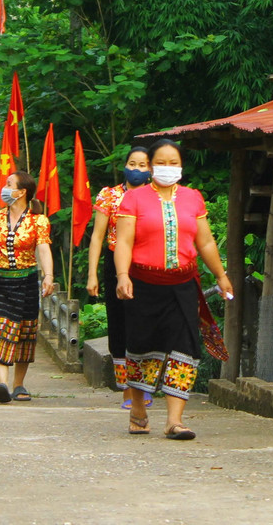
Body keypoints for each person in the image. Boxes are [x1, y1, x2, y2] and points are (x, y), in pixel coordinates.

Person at [114, 139, 233, 440]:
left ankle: (174, 421)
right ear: (151, 166)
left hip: (182, 285)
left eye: (174, 162)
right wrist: (122, 275)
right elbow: (124, 241)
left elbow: (204, 242)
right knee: (141, 346)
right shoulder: (134, 199)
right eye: (162, 163)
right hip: (143, 284)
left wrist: (220, 274)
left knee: (185, 345)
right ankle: (138, 409)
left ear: (181, 166)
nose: (168, 168)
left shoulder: (193, 198)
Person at [0, 171, 55, 404]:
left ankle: (18, 384)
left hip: (25, 281)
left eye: (9, 185)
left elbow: (44, 248)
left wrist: (48, 276)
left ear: (22, 192)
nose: (4, 189)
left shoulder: (38, 220)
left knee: (25, 333)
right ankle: (2, 384)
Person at [86, 147, 153, 409]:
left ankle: (144, 383)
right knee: (119, 323)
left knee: (147, 323)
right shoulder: (109, 196)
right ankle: (127, 388)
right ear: (125, 166)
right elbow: (98, 237)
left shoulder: (156, 196)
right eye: (132, 164)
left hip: (147, 266)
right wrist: (92, 274)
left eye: (142, 165)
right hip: (115, 264)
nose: (136, 169)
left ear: (150, 170)